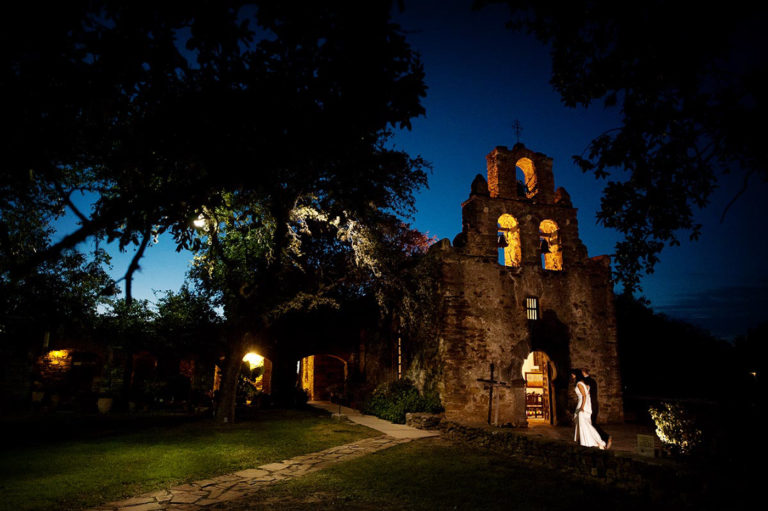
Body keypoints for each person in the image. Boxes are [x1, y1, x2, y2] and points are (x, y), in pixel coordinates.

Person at [570, 369, 606, 449]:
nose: (572, 376)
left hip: (583, 404)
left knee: (585, 424)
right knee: (584, 423)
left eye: (572, 375)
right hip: (584, 403)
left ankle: (598, 442)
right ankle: (586, 441)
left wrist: (582, 407)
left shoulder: (579, 383)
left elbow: (584, 396)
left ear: (576, 375)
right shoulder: (583, 382)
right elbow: (587, 390)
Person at [581, 368, 612, 449]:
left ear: (583, 373)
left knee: (591, 424)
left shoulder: (585, 382)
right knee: (592, 423)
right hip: (595, 404)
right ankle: (600, 439)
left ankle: (606, 437)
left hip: (590, 406)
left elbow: (587, 395)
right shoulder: (593, 381)